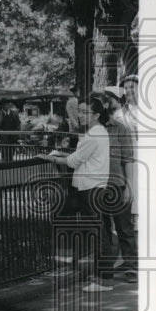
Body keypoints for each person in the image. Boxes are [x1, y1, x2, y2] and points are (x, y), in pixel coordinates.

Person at [41, 95, 113, 292]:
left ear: (97, 115)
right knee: (63, 217)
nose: (80, 115)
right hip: (82, 187)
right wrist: (58, 155)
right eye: (79, 111)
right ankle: (68, 260)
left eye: (85, 112)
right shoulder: (93, 132)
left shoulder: (95, 134)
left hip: (90, 188)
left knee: (98, 233)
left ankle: (103, 279)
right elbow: (77, 157)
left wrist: (50, 159)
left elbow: (73, 162)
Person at [102, 86, 138, 283]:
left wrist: (129, 187)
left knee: (124, 228)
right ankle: (106, 267)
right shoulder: (90, 131)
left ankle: (132, 267)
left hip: (117, 184)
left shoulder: (120, 128)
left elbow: (128, 160)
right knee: (104, 229)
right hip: (97, 186)